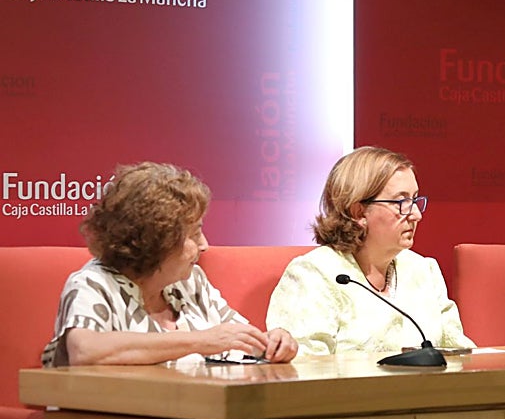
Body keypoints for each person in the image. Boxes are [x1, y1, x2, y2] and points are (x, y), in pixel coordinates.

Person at [42, 162, 297, 366]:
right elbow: (85, 350)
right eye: (194, 234)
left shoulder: (191, 281)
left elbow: (237, 337)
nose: (205, 245)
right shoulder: (93, 284)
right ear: (157, 240)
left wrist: (273, 343)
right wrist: (198, 341)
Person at [267, 146, 473, 355]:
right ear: (359, 212)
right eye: (402, 202)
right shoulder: (314, 274)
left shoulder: (423, 270)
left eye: (415, 199)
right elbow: (305, 367)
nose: (416, 214)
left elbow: (460, 353)